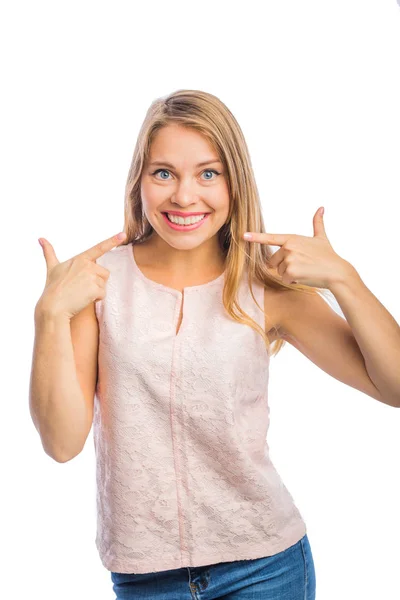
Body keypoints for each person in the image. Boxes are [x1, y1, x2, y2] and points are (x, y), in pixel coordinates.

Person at [32, 89, 324, 599]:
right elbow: (61, 444)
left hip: (265, 567)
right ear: (139, 182)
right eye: (163, 173)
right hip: (145, 575)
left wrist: (347, 280)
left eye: (208, 173)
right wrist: (50, 315)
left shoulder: (264, 285)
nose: (184, 196)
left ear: (235, 181)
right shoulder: (97, 285)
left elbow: (391, 383)